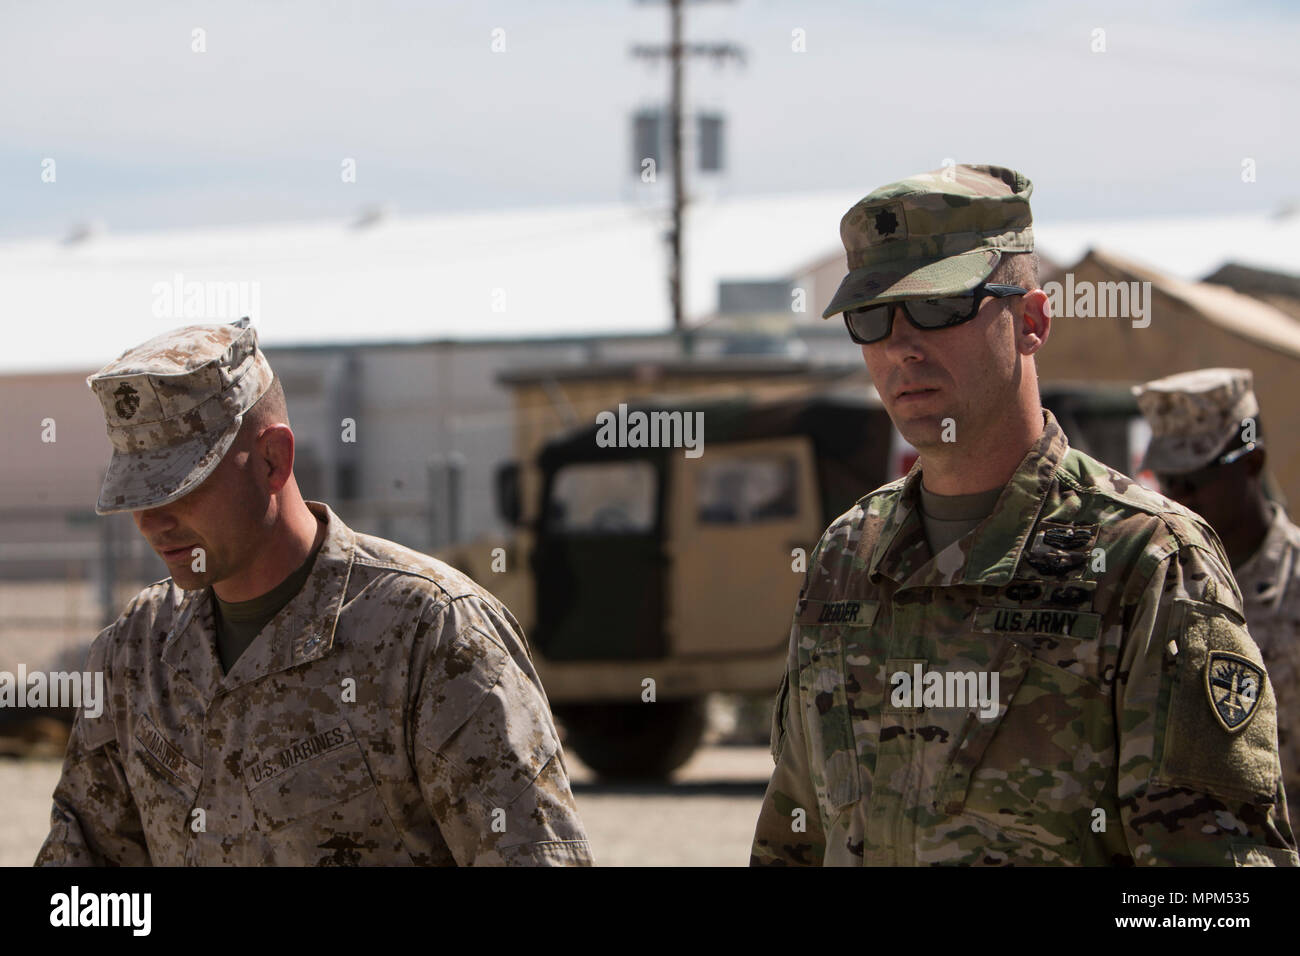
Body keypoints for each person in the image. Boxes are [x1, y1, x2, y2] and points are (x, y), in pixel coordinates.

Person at [750, 164, 1297, 866]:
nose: (900, 345)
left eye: (940, 306)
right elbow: (794, 837)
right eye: (870, 316)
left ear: (1032, 321)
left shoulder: (1146, 561)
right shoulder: (846, 557)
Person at [36, 319, 593, 866]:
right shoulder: (137, 652)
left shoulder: (430, 635)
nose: (151, 522)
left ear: (274, 460)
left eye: (181, 486)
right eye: (137, 494)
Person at [1135, 367, 1300, 836]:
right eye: (1169, 480)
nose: (1178, 497)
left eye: (1196, 478)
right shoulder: (1155, 580)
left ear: (1252, 462)